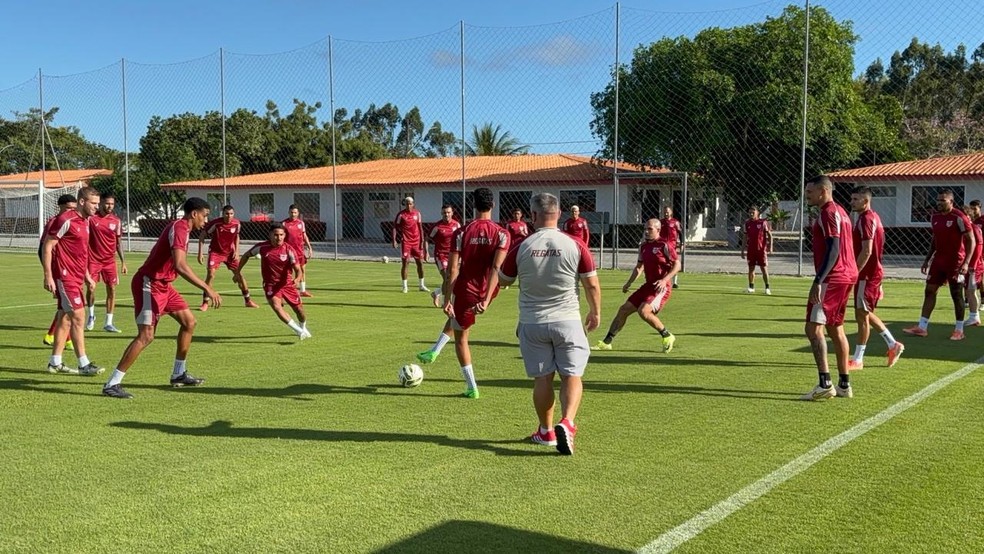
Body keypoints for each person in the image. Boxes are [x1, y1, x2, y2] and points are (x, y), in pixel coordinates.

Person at [499, 192, 601, 456]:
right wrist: (595, 312)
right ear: (559, 213)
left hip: (532, 322)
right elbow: (591, 283)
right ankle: (567, 422)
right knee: (572, 375)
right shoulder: (575, 244)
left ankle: (546, 432)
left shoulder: (522, 245)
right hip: (568, 320)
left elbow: (504, 279)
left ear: (533, 215)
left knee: (542, 378)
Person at [101, 197, 223, 399]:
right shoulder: (180, 228)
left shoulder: (183, 230)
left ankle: (178, 374)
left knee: (189, 322)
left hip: (164, 286)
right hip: (149, 284)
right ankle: (112, 383)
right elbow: (180, 265)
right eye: (205, 215)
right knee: (146, 336)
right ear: (194, 214)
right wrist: (206, 288)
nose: (206, 220)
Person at [415, 187, 509, 399]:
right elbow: (496, 268)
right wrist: (486, 300)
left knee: (461, 338)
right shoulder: (503, 233)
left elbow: (452, 270)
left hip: (466, 290)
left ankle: (472, 387)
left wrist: (447, 298)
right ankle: (434, 351)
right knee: (459, 321)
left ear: (473, 205)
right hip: (490, 289)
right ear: (493, 205)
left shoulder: (462, 232)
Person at [801, 175, 859, 401]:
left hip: (833, 278)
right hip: (847, 275)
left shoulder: (828, 212)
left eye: (810, 192)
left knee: (813, 328)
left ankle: (825, 383)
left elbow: (833, 249)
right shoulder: (842, 212)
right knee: (836, 328)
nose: (807, 195)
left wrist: (818, 280)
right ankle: (844, 384)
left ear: (823, 191)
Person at [41, 187, 105, 376]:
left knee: (65, 318)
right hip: (65, 276)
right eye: (93, 203)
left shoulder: (86, 221)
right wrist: (48, 275)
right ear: (82, 202)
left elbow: (80, 252)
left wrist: (86, 276)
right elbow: (47, 246)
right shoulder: (65, 219)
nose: (97, 207)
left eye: (98, 203)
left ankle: (55, 362)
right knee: (78, 317)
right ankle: (84, 364)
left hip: (77, 277)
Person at [591, 218, 679, 353]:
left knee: (643, 311)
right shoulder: (643, 246)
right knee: (623, 310)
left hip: (661, 287)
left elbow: (677, 264)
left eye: (650, 229)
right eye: (645, 229)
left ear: (658, 230)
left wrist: (664, 280)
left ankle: (667, 336)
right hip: (648, 286)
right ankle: (606, 342)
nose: (646, 231)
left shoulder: (664, 245)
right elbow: (639, 267)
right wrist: (629, 283)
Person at [902, 189, 976, 340]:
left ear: (951, 202)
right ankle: (922, 327)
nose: (939, 203)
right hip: (939, 260)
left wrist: (966, 262)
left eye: (943, 200)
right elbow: (935, 239)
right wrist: (927, 259)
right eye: (938, 200)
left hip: (955, 261)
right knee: (929, 291)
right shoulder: (935, 216)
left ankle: (959, 330)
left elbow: (971, 240)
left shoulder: (959, 217)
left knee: (956, 294)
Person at [847, 187, 904, 370]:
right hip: (870, 274)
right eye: (852, 199)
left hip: (867, 275)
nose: (852, 202)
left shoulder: (867, 219)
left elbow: (867, 250)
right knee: (864, 313)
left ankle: (858, 359)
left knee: (861, 315)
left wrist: (854, 272)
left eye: (856, 199)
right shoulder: (871, 217)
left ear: (866, 201)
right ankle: (892, 344)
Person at [236, 223, 311, 339]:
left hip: (287, 284)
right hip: (270, 284)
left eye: (281, 235)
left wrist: (297, 279)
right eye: (276, 235)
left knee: (299, 310)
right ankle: (299, 331)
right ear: (270, 235)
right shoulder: (262, 247)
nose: (279, 238)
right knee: (276, 307)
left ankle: (303, 327)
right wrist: (237, 272)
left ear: (284, 235)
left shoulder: (289, 250)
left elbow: (298, 270)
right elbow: (246, 255)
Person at [197, 204, 259, 310]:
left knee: (239, 276)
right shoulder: (216, 223)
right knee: (210, 275)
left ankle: (248, 301)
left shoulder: (237, 223)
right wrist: (200, 253)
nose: (229, 216)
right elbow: (202, 235)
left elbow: (237, 236)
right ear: (223, 214)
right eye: (227, 214)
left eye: (231, 214)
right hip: (216, 253)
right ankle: (205, 302)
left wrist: (237, 251)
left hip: (230, 253)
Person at [85, 193, 128, 333]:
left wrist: (123, 262)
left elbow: (118, 243)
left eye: (112, 204)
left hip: (109, 262)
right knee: (91, 288)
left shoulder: (116, 221)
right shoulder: (91, 218)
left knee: (112, 289)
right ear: (101, 202)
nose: (110, 206)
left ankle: (108, 322)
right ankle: (91, 315)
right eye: (108, 203)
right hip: (93, 260)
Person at [40, 194, 77, 347]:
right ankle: (54, 336)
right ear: (60, 207)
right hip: (59, 270)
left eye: (74, 208)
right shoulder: (54, 222)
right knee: (69, 305)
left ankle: (60, 338)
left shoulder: (73, 221)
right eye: (68, 208)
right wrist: (48, 273)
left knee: (64, 305)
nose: (71, 211)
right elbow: (42, 249)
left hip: (70, 270)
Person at [391, 196, 429, 294]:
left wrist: (422, 240)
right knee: (406, 263)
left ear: (413, 204)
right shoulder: (401, 215)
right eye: (407, 204)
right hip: (406, 242)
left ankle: (421, 285)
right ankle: (405, 287)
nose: (408, 205)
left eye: (410, 203)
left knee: (420, 263)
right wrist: (394, 240)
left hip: (416, 242)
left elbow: (420, 227)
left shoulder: (417, 213)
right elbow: (395, 227)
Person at [426, 204, 460, 307]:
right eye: (444, 212)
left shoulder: (457, 225)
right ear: (441, 213)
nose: (446, 214)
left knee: (452, 279)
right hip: (440, 255)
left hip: (453, 255)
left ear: (452, 213)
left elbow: (460, 240)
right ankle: (446, 302)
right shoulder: (437, 226)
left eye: (448, 212)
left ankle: (436, 293)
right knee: (447, 277)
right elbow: (427, 239)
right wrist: (426, 252)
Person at [282, 204, 314, 297]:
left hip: (300, 251)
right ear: (288, 212)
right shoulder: (284, 224)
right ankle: (286, 290)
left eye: (295, 212)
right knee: (288, 272)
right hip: (288, 252)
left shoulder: (301, 223)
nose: (293, 214)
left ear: (298, 213)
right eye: (291, 212)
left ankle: (302, 290)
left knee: (302, 270)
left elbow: (304, 236)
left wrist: (309, 247)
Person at [740, 206, 773, 294]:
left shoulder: (763, 222)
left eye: (753, 212)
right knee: (751, 268)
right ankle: (751, 287)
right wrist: (742, 250)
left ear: (757, 213)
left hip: (761, 250)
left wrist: (770, 247)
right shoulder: (747, 223)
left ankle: (767, 288)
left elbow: (770, 235)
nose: (751, 214)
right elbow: (745, 237)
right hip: (751, 250)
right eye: (749, 212)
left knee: (764, 268)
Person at [963, 200, 983, 326]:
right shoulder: (967, 229)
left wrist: (973, 265)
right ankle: (973, 316)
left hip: (974, 265)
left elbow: (979, 247)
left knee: (971, 290)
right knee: (968, 290)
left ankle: (974, 316)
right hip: (969, 264)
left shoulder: (975, 228)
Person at [660, 206, 683, 288]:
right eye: (665, 212)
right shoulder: (661, 222)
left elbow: (681, 233)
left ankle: (675, 282)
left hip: (672, 246)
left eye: (667, 211)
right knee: (662, 262)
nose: (666, 213)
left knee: (674, 262)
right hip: (662, 245)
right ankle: (662, 280)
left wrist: (682, 244)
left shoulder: (675, 222)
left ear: (671, 212)